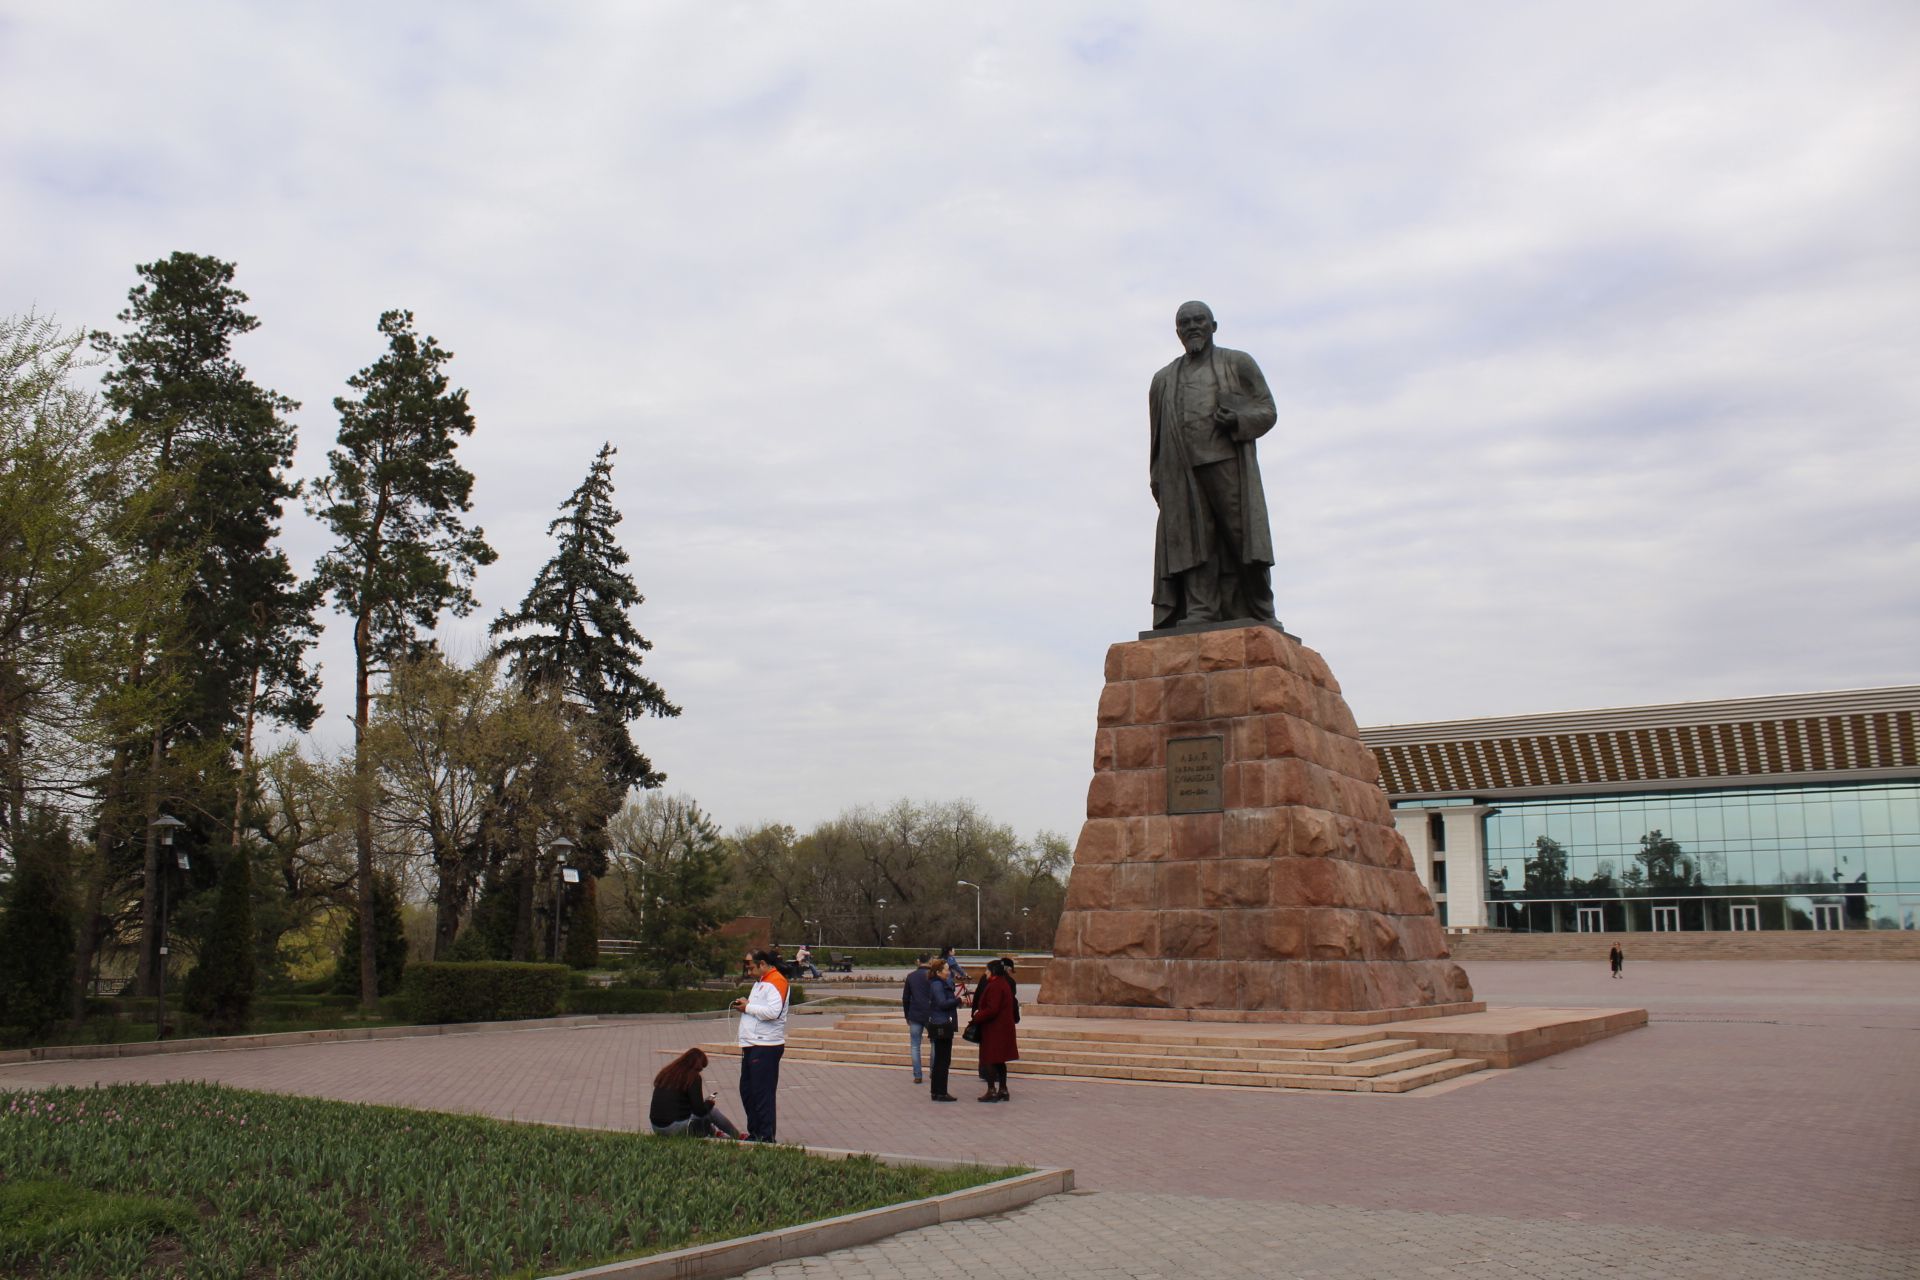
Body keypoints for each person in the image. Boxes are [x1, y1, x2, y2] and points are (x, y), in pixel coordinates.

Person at [1148, 300, 1280, 630]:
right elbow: (1157, 438)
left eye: (1199, 320)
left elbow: (1267, 410)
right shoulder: (1163, 380)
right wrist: (1157, 478)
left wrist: (1238, 419)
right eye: (1185, 322)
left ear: (1213, 326)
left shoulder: (1237, 363)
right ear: (1177, 331)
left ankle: (1260, 607)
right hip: (1181, 470)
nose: (1192, 326)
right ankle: (1201, 609)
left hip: (1227, 464)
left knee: (1242, 539)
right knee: (1192, 544)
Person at [731, 949, 790, 1142]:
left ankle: (765, 1136)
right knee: (747, 1090)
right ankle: (755, 1131)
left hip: (766, 1045)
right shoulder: (760, 983)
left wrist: (748, 1007)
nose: (748, 972)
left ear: (763, 964)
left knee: (761, 1092)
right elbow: (760, 1008)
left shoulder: (776, 981)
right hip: (752, 1043)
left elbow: (774, 1011)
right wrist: (747, 1004)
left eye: (751, 968)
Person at [648, 1047, 741, 1139]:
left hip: (656, 1127)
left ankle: (715, 1133)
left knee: (701, 1111)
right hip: (674, 1128)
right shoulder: (693, 1077)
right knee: (712, 1112)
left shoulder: (667, 1072)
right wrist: (710, 1103)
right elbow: (699, 1110)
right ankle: (737, 1136)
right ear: (697, 1066)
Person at [967, 957, 1020, 1103]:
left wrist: (977, 1016)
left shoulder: (995, 985)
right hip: (1002, 1027)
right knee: (999, 1060)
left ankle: (992, 1090)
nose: (985, 973)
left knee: (989, 1059)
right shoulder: (1003, 983)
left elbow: (992, 1009)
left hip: (994, 1029)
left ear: (993, 971)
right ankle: (1003, 1089)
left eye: (987, 970)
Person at [925, 957, 961, 1102]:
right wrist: (958, 1000)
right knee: (943, 1060)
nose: (949, 971)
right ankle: (940, 1092)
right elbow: (942, 1003)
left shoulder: (938, 983)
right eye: (947, 969)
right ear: (939, 971)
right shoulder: (937, 984)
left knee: (941, 1059)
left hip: (941, 1022)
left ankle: (937, 1091)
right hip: (942, 1024)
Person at [901, 953, 933, 1084]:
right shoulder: (933, 976)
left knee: (915, 1045)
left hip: (915, 1014)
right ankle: (934, 1072)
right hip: (931, 1014)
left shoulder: (911, 976)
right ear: (930, 962)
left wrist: (907, 1015)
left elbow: (905, 998)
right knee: (935, 1044)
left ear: (918, 962)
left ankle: (918, 1074)